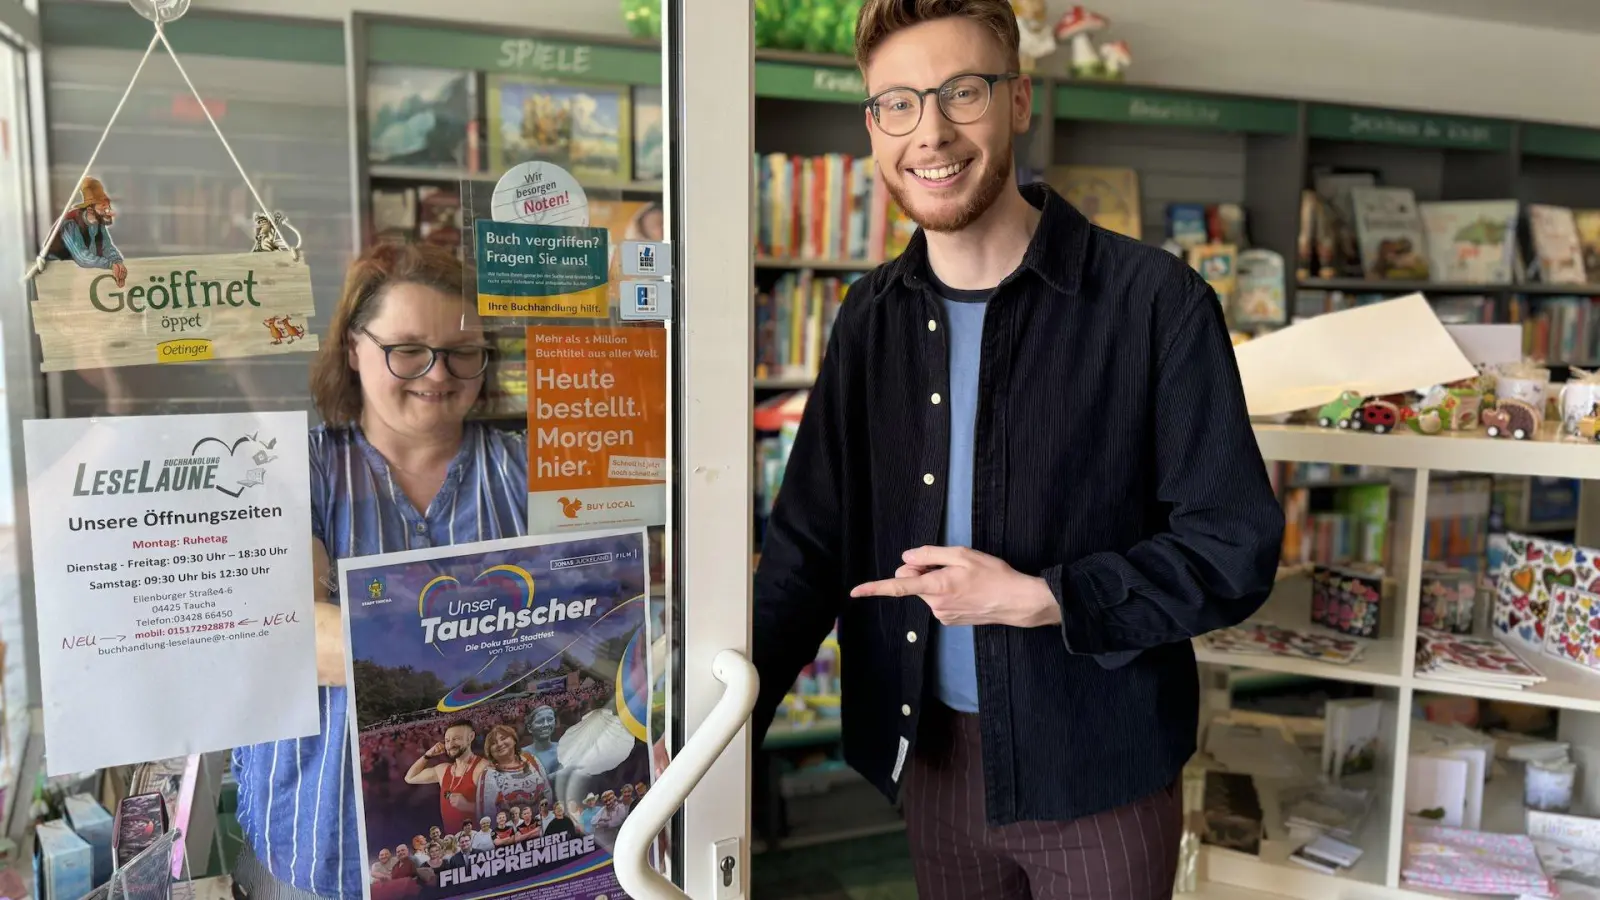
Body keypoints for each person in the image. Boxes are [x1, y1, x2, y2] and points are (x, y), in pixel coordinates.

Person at [751, 2, 1284, 899]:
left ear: (1019, 101)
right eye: (897, 104)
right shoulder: (868, 317)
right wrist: (721, 727)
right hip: (932, 758)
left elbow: (1233, 546)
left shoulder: (1157, 302)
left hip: (1099, 770)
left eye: (962, 92)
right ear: (873, 127)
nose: (930, 133)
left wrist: (1042, 597)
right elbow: (806, 547)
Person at [230, 242, 529, 900]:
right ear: (352, 349)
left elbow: (602, 608)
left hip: (493, 851)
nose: (438, 373)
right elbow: (288, 633)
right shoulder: (290, 470)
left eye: (463, 352)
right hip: (321, 847)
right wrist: (510, 635)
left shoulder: (528, 471)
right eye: (408, 349)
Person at [405, 722, 488, 835]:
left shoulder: (482, 767)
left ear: (470, 737)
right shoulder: (443, 770)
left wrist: (468, 806)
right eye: (447, 740)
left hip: (479, 840)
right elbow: (410, 777)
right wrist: (428, 755)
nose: (450, 745)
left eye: (456, 739)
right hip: (453, 841)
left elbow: (500, 807)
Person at [45, 176, 127, 286]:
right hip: (55, 277)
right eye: (103, 206)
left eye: (108, 205)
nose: (108, 210)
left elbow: (107, 247)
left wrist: (118, 263)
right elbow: (82, 257)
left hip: (77, 277)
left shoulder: (98, 222)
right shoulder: (70, 223)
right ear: (90, 209)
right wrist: (111, 265)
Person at [479, 723, 552, 822]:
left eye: (503, 738)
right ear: (490, 751)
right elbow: (487, 812)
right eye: (493, 743)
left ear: (514, 740)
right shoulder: (489, 774)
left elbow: (547, 791)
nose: (499, 744)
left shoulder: (531, 760)